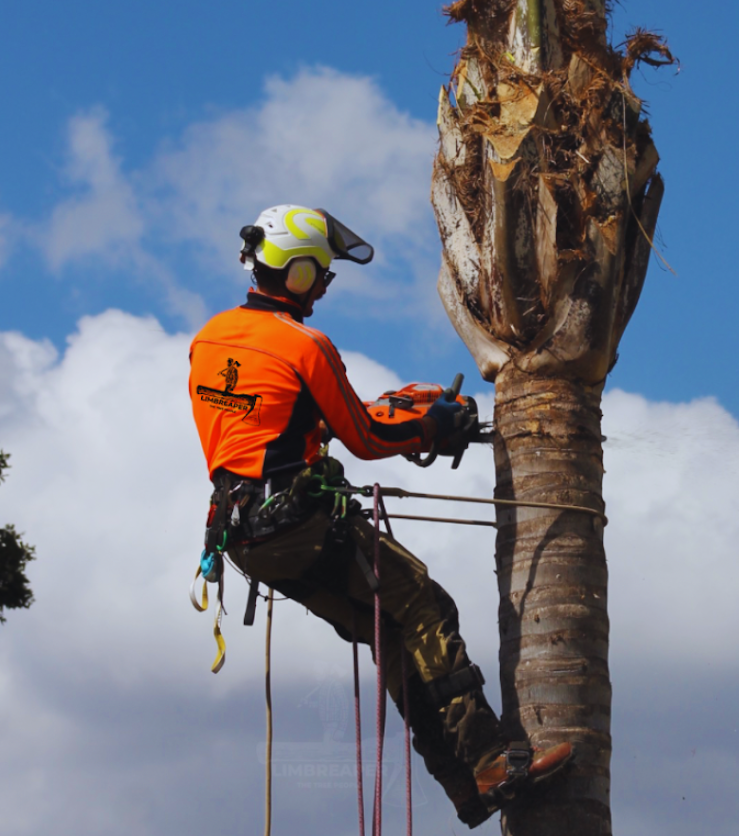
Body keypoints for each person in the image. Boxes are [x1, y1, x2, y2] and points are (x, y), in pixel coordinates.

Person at [188, 204, 570, 827]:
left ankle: (466, 786)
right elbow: (361, 438)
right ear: (301, 273)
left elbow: (279, 419)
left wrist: (396, 407)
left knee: (390, 634)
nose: (327, 286)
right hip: (300, 525)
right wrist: (431, 424)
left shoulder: (209, 339)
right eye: (323, 274)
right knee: (423, 605)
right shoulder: (305, 343)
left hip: (243, 537)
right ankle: (493, 758)